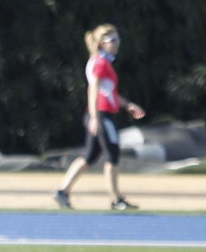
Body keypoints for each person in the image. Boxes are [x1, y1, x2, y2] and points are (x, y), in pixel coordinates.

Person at [54, 24, 146, 211]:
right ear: (102, 44)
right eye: (112, 40)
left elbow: (109, 92)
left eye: (117, 39)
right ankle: (116, 199)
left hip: (101, 114)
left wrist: (127, 105)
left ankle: (62, 191)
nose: (117, 43)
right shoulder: (100, 63)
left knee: (90, 156)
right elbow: (93, 89)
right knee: (112, 155)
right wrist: (95, 117)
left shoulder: (103, 62)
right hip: (102, 115)